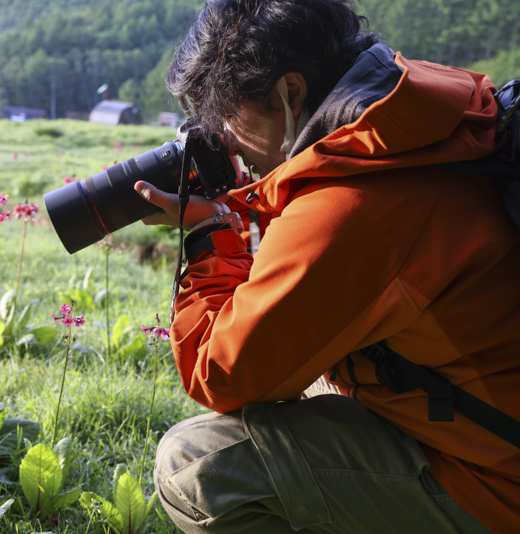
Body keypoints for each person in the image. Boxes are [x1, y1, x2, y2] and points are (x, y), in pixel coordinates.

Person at [132, 0, 520, 532]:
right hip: (479, 414)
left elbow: (219, 373)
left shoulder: (353, 204)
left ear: (289, 92)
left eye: (227, 113)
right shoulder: (422, 111)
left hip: (495, 485)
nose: (223, 136)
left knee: (197, 466)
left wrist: (207, 233)